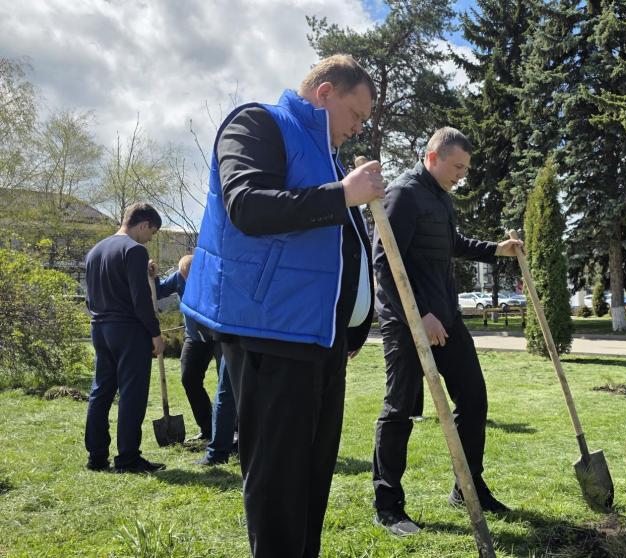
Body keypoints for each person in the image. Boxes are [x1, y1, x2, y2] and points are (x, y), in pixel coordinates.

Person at [180, 54, 383, 558]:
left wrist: (351, 326)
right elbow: (247, 205)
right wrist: (342, 195)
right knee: (278, 483)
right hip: (271, 332)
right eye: (357, 114)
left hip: (321, 341)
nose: (358, 129)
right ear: (326, 93)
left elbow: (340, 252)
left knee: (311, 479)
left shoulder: (329, 158)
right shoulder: (257, 124)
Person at [370, 127, 523, 536]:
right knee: (400, 408)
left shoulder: (440, 196)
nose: (461, 175)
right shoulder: (402, 195)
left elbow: (451, 243)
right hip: (406, 324)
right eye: (457, 166)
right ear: (433, 157)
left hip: (447, 319)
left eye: (465, 169)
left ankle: (467, 488)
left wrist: (496, 250)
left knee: (474, 399)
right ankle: (388, 505)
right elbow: (385, 263)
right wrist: (418, 315)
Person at [84, 203, 168, 473]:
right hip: (129, 330)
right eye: (151, 232)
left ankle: (97, 458)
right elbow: (140, 300)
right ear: (143, 225)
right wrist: (155, 333)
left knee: (101, 391)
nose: (150, 238)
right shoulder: (135, 250)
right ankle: (128, 459)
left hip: (99, 327)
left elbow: (90, 296)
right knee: (132, 394)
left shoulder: (95, 251)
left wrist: (147, 273)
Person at [159, 254, 222, 445]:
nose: (187, 281)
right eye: (185, 277)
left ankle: (232, 430)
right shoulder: (179, 276)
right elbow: (159, 290)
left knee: (226, 384)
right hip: (194, 337)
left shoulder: (215, 277)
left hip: (220, 336)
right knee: (189, 379)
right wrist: (150, 276)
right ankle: (208, 429)